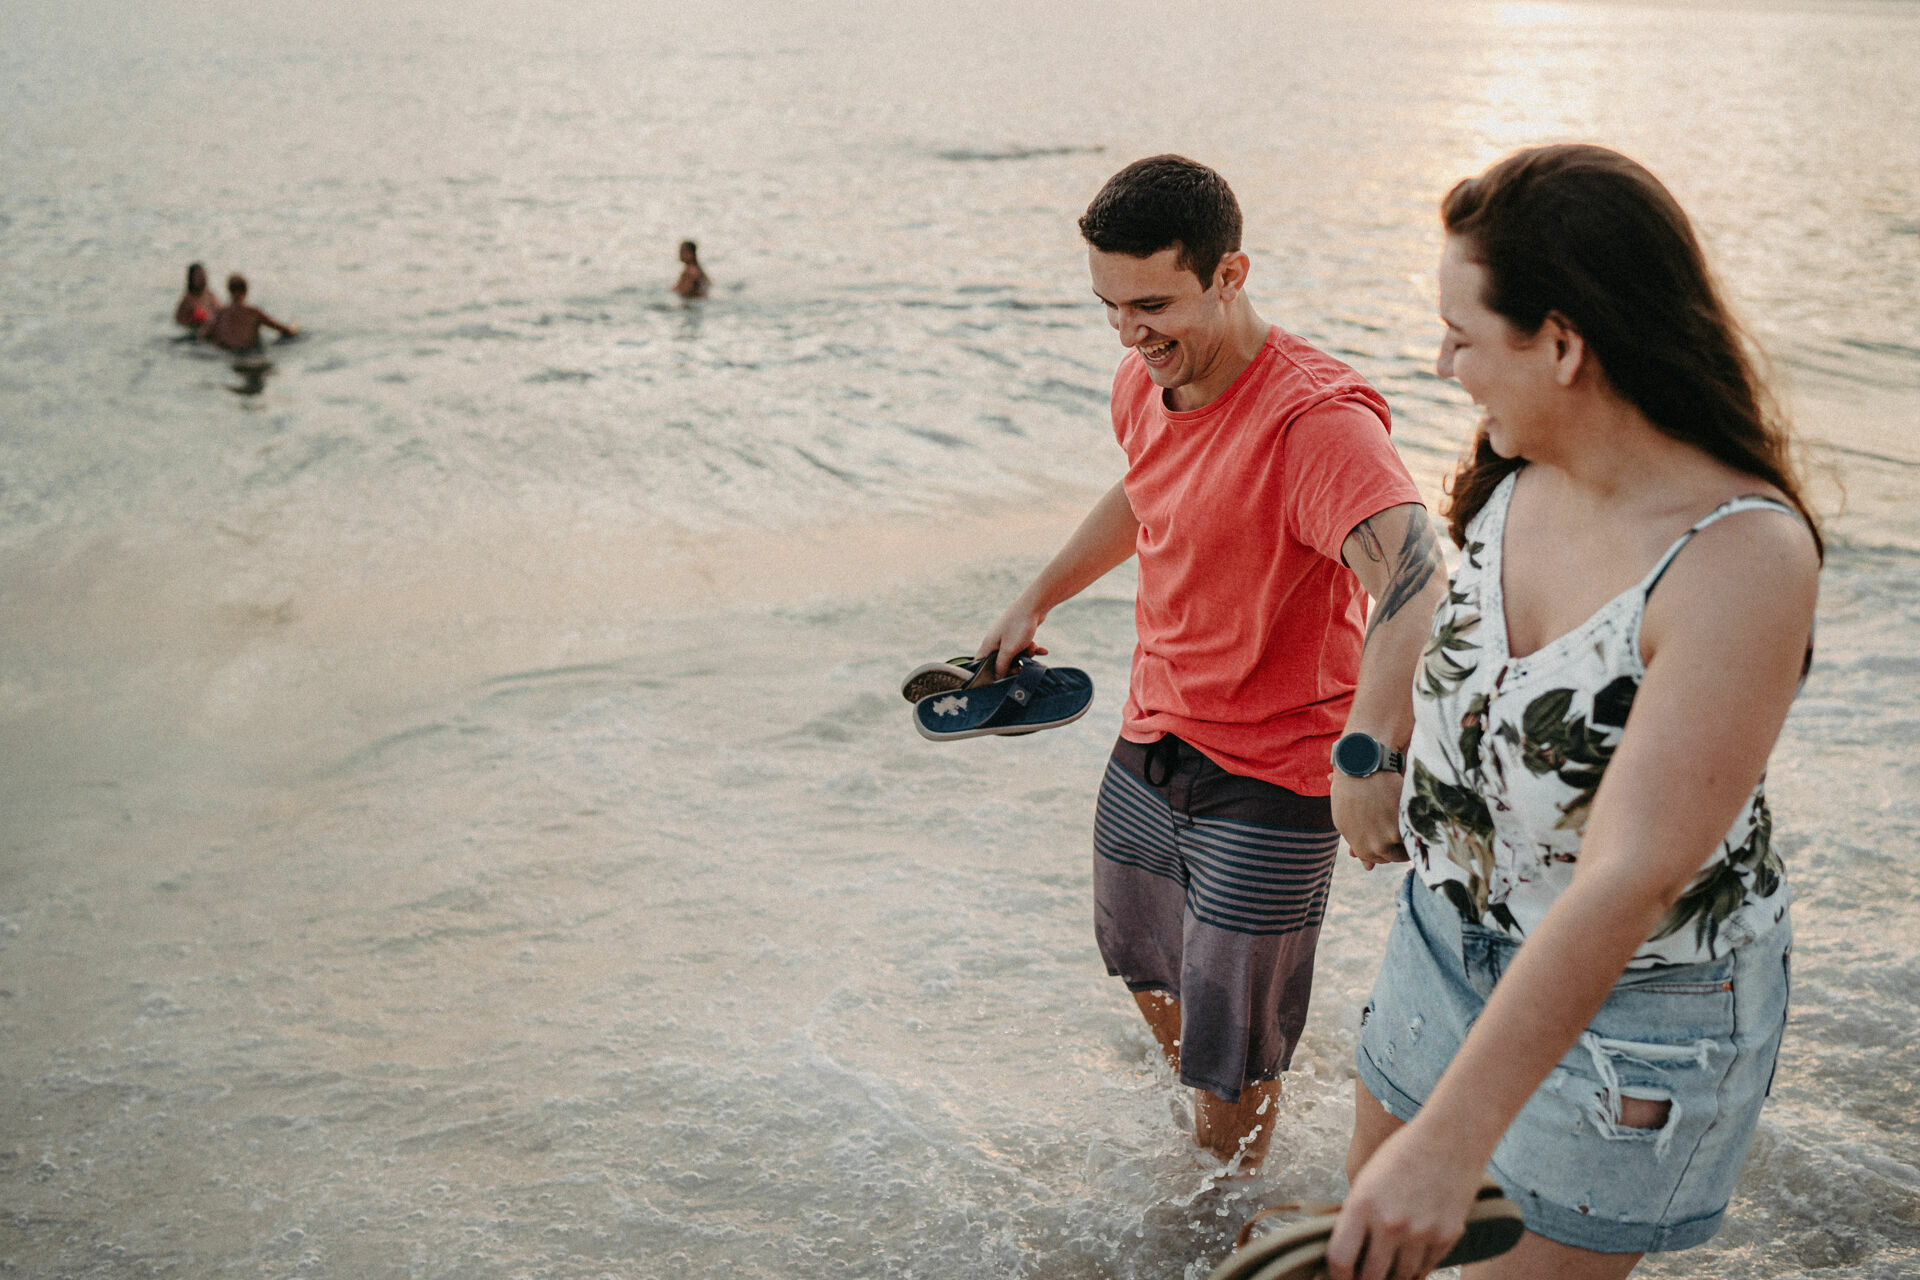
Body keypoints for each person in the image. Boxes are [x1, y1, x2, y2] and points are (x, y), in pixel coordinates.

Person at [1327, 144, 1822, 1280]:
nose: (1441, 361)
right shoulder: (1517, 463)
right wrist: (1373, 743)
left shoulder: (1739, 556)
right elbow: (1435, 611)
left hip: (1638, 1002)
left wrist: (1451, 1142)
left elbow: (1628, 871)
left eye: (1461, 334)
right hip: (1445, 933)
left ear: (1561, 343)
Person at [974, 155, 1446, 1170]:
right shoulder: (1146, 379)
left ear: (1230, 273)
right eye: (1108, 305)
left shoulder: (1315, 422)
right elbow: (1146, 488)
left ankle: (1226, 1203)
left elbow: (1415, 574)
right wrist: (1039, 594)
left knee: (1226, 1059)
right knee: (1145, 965)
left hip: (1273, 776)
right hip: (1153, 733)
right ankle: (1228, 1131)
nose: (1130, 331)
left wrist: (1369, 753)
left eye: (1153, 303)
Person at [200, 274, 297, 351]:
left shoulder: (219, 313)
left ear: (229, 291)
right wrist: (294, 325)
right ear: (246, 291)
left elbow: (202, 336)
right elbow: (285, 330)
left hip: (227, 354)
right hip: (249, 353)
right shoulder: (254, 312)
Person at [174, 262, 221, 330]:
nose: (202, 278)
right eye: (198, 276)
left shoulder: (210, 296)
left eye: (203, 275)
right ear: (191, 279)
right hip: (192, 334)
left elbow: (221, 311)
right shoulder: (187, 300)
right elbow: (180, 321)